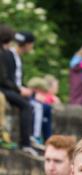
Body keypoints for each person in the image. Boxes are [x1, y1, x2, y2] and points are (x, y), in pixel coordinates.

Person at [0, 25, 37, 156]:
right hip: (5, 89)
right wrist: (19, 90)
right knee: (26, 105)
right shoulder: (5, 54)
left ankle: (32, 137)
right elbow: (4, 80)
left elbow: (16, 78)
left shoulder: (14, 56)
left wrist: (24, 88)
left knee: (35, 104)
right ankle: (25, 143)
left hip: (11, 88)